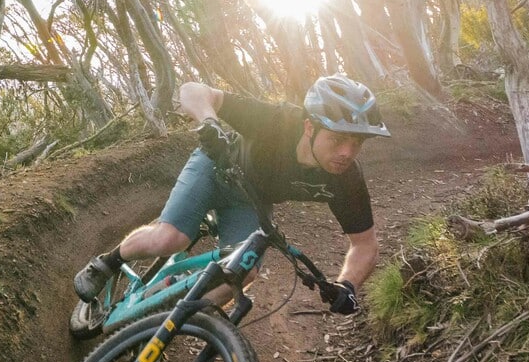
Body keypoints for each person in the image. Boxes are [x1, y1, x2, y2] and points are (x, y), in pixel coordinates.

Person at [70, 75, 388, 334]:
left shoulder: (346, 179)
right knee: (171, 239)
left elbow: (364, 244)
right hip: (215, 168)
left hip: (250, 201)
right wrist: (210, 122)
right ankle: (107, 263)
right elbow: (193, 91)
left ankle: (163, 324)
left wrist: (348, 284)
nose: (347, 152)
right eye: (336, 139)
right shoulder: (277, 121)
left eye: (356, 143)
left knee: (243, 272)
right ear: (309, 126)